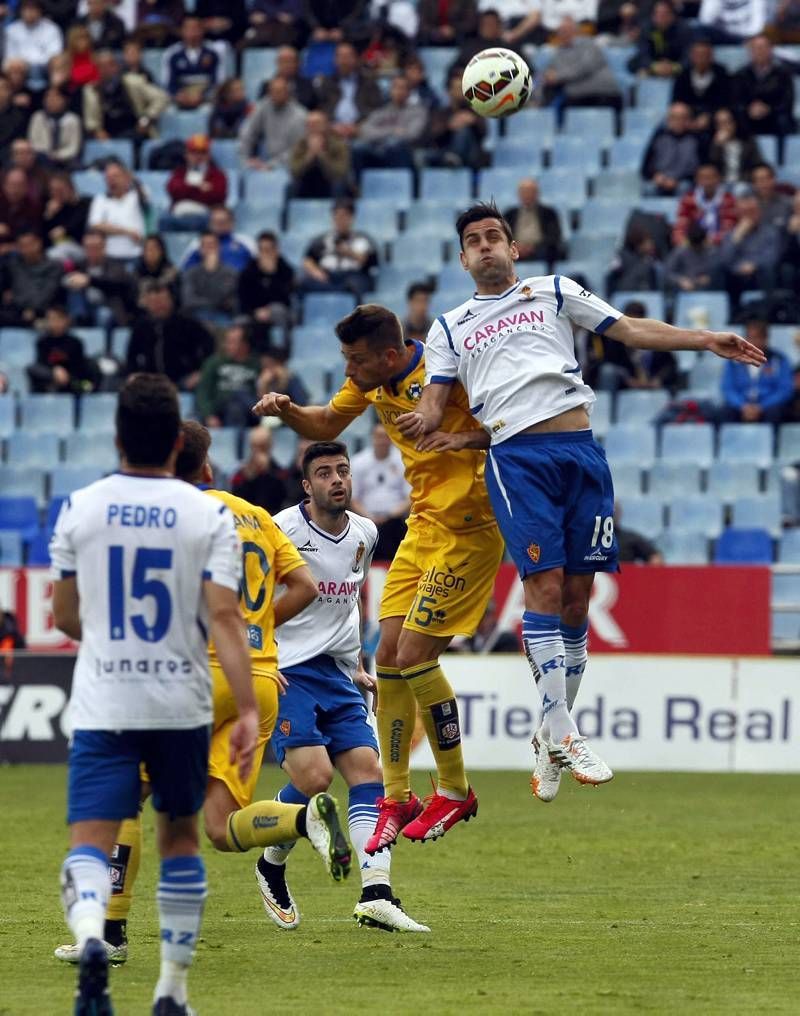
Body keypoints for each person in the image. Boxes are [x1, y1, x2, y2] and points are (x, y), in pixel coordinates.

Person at [400, 201, 765, 803]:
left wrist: (705, 340)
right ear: (464, 259)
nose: (486, 245)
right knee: (542, 587)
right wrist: (416, 418)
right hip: (517, 461)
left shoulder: (552, 290)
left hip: (580, 451)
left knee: (578, 597)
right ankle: (566, 731)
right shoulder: (449, 328)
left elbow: (627, 329)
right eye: (475, 240)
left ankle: (548, 733)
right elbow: (434, 406)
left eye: (495, 236)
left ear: (515, 249)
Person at [53, 415, 352, 976]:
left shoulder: (176, 516)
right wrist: (252, 640)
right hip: (261, 680)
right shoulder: (259, 516)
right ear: (209, 464)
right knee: (220, 826)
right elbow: (305, 587)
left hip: (192, 675)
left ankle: (112, 932)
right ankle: (300, 821)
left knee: (122, 798)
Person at [252, 305, 506, 847]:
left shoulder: (446, 369)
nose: (349, 370)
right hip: (423, 526)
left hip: (471, 526)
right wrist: (287, 409)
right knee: (389, 653)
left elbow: (513, 424)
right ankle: (394, 796)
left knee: (414, 655)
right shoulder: (372, 385)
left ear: (389, 356)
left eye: (356, 360)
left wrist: (458, 438)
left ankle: (457, 791)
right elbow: (323, 424)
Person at [48, 373, 259, 1015]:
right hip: (181, 704)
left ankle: (90, 938)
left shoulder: (81, 507)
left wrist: (111, 639)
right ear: (176, 442)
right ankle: (171, 989)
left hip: (106, 700)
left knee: (91, 839)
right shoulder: (209, 513)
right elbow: (225, 618)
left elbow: (63, 616)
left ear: (117, 437)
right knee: (181, 842)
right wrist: (247, 707)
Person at [259, 440, 430, 934]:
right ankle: (271, 864)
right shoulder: (280, 530)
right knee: (314, 778)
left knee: (368, 772)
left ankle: (376, 893)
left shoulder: (366, 532)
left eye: (343, 471)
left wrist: (356, 663)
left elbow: (350, 600)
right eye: (325, 473)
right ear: (307, 485)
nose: (337, 479)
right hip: (289, 669)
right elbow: (252, 596)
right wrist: (261, 657)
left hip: (339, 672)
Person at [126, 280, 215, 388]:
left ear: (171, 300)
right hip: (151, 381)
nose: (159, 305)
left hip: (183, 379)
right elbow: (131, 356)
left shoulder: (187, 323)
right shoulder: (141, 326)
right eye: (154, 302)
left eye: (162, 300)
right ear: (147, 304)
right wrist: (134, 375)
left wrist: (201, 372)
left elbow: (209, 346)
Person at [540, 16, 622, 120]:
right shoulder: (557, 53)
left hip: (602, 94)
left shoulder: (589, 44)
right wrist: (549, 76)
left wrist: (559, 76)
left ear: (576, 31)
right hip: (575, 98)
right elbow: (549, 73)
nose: (563, 34)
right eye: (560, 31)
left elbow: (586, 66)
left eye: (567, 30)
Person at [350, 423, 411, 561]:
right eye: (379, 437)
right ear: (372, 438)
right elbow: (353, 499)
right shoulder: (358, 461)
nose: (382, 441)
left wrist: (389, 515)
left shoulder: (403, 462)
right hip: (366, 520)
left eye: (386, 437)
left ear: (391, 439)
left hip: (395, 521)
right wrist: (370, 517)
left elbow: (410, 497)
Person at [83, 49, 169, 141]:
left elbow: (161, 97)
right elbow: (91, 121)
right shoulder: (91, 90)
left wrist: (146, 119)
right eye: (101, 66)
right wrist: (97, 131)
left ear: (116, 66)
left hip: (135, 131)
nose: (106, 69)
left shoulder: (133, 82)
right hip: (108, 136)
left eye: (109, 65)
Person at [301, 198, 378, 300]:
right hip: (328, 276)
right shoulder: (322, 240)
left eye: (344, 216)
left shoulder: (363, 239)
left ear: (352, 217)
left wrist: (349, 253)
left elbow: (371, 261)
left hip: (352, 276)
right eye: (336, 216)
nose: (340, 220)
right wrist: (317, 272)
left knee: (356, 285)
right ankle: (336, 291)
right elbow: (307, 259)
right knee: (303, 282)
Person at [350, 75, 429, 176]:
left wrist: (382, 133)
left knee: (394, 143)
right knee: (357, 146)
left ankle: (398, 185)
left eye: (402, 88)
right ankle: (359, 186)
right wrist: (392, 130)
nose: (399, 92)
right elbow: (365, 131)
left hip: (405, 153)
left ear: (409, 92)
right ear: (391, 90)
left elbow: (412, 134)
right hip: (378, 150)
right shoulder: (382, 111)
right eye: (395, 87)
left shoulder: (418, 111)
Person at [720, 319, 794, 424]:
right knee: (725, 412)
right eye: (750, 338)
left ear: (765, 338)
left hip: (768, 406)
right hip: (742, 405)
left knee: (776, 413)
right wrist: (742, 406)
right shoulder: (734, 360)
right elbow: (727, 388)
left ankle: (772, 440)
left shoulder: (779, 360)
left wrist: (761, 407)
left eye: (757, 338)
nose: (753, 342)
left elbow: (784, 390)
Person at [718, 193, 782, 310]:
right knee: (721, 272)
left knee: (769, 270)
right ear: (738, 213)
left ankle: (768, 311)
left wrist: (754, 264)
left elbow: (772, 256)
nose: (750, 216)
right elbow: (724, 260)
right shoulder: (731, 234)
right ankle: (733, 314)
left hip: (760, 273)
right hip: (737, 275)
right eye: (745, 212)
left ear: (759, 212)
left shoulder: (770, 232)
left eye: (753, 211)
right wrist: (737, 238)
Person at [62, 228, 136, 326]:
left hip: (108, 306)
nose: (92, 251)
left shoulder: (115, 265)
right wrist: (70, 281)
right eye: (88, 247)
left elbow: (115, 284)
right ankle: (78, 322)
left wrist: (89, 280)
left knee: (103, 314)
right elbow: (63, 281)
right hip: (85, 307)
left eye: (95, 247)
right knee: (74, 293)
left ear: (104, 247)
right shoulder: (79, 265)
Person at [196, 322, 264, 426]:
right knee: (236, 399)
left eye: (232, 342)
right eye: (227, 342)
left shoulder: (256, 365)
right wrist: (209, 415)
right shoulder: (214, 363)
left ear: (245, 344)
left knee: (238, 403)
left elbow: (261, 391)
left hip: (247, 412)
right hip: (220, 408)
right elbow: (203, 392)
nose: (227, 345)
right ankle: (263, 417)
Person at [237, 230, 294, 353]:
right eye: (262, 250)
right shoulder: (248, 271)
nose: (265, 254)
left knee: (277, 311)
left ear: (276, 250)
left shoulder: (285, 270)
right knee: (240, 321)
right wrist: (255, 312)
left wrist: (271, 274)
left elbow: (284, 298)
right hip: (254, 312)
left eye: (268, 250)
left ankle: (280, 354)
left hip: (278, 310)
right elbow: (244, 298)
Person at [314, 42, 383, 142]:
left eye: (347, 57)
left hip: (362, 129)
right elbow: (320, 108)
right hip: (332, 129)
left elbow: (376, 109)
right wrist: (331, 126)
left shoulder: (368, 82)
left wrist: (359, 126)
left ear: (355, 59)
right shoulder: (326, 83)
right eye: (341, 57)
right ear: (335, 60)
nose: (344, 61)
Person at [732, 33, 795, 139]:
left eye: (763, 47)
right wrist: (748, 109)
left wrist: (768, 109)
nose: (760, 51)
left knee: (784, 121)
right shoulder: (741, 74)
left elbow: (787, 101)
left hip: (774, 115)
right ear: (750, 51)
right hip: (749, 115)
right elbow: (735, 101)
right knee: (735, 119)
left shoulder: (783, 74)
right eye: (756, 48)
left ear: (771, 50)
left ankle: (782, 155)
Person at [239, 76, 308, 170]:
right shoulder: (264, 106)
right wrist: (245, 159)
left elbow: (297, 150)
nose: (275, 95)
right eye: (273, 91)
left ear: (288, 93)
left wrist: (271, 165)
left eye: (280, 91)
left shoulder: (300, 115)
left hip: (291, 165)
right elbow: (248, 132)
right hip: (267, 161)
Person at [163, 134, 228, 232]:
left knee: (203, 222)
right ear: (187, 155)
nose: (198, 156)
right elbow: (173, 191)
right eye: (194, 152)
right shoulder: (179, 172)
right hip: (178, 215)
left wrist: (186, 190)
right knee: (163, 221)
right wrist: (197, 187)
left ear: (208, 155)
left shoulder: (218, 174)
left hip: (204, 215)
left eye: (202, 152)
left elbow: (218, 195)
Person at [27, 304, 98, 393]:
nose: (54, 323)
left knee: (87, 383)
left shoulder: (75, 343)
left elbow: (79, 368)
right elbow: (41, 365)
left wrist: (66, 376)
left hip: (72, 383)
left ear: (66, 320)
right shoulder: (42, 342)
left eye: (58, 319)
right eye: (51, 319)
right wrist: (54, 372)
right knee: (32, 369)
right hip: (50, 381)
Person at [425, 71, 487, 171]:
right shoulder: (442, 113)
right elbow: (433, 135)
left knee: (464, 131)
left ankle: (454, 156)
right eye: (457, 88)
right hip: (445, 151)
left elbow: (484, 133)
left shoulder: (474, 111)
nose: (461, 92)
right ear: (449, 91)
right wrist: (449, 126)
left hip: (470, 155)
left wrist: (473, 121)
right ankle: (451, 157)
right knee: (422, 155)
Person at [87, 161, 146, 262]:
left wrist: (133, 179)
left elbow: (144, 195)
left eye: (115, 176)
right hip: (109, 256)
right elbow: (95, 224)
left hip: (136, 254)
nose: (111, 181)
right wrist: (127, 232)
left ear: (126, 177)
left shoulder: (135, 196)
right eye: (108, 178)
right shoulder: (100, 200)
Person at [0, 230, 62, 326]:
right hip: (17, 312)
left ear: (39, 243)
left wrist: (32, 309)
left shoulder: (54, 266)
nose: (25, 249)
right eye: (21, 246)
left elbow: (48, 294)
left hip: (43, 312)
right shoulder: (13, 264)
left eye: (29, 244)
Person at [641, 102, 702, 196]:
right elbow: (645, 168)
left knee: (684, 188)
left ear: (689, 120)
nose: (679, 121)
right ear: (668, 119)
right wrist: (655, 176)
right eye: (674, 117)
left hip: (684, 181)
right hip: (660, 180)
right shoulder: (659, 137)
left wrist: (677, 180)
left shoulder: (697, 139)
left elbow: (700, 169)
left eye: (683, 117)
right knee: (649, 188)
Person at [288, 109, 352, 199]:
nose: (312, 127)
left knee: (339, 184)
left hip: (330, 183)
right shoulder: (301, 144)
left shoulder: (339, 144)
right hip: (309, 183)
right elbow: (294, 171)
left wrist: (321, 155)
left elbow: (340, 172)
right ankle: (288, 212)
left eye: (316, 123)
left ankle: (338, 212)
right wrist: (309, 156)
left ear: (325, 125)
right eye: (309, 124)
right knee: (290, 187)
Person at [162, 16, 222, 109]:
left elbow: (218, 82)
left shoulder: (214, 52)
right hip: (180, 98)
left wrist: (203, 96)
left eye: (196, 28)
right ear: (181, 31)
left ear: (202, 30)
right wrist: (178, 95)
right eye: (188, 28)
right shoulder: (172, 54)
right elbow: (168, 82)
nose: (192, 32)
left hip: (206, 99)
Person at [670, 39, 729, 134]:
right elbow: (677, 99)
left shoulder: (721, 73)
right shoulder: (683, 74)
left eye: (704, 55)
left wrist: (709, 116)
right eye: (698, 55)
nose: (701, 58)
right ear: (691, 56)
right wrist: (689, 117)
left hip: (713, 116)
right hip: (689, 116)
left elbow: (725, 100)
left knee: (723, 115)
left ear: (711, 56)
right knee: (677, 111)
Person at [672, 163, 737, 247]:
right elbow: (681, 225)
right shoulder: (688, 199)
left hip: (720, 245)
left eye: (711, 178)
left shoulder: (728, 199)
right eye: (703, 178)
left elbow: (729, 228)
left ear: (718, 178)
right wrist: (683, 240)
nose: (707, 182)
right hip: (693, 245)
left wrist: (712, 241)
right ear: (697, 180)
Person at [180, 231, 239, 323]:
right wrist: (215, 303)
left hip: (223, 316)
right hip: (197, 316)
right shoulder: (191, 273)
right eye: (206, 246)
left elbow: (231, 300)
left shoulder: (230, 273)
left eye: (212, 245)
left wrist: (212, 271)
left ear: (219, 248)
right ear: (200, 249)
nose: (210, 249)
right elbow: (189, 300)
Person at [503, 178, 565, 265]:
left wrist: (533, 248)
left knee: (551, 251)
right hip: (515, 250)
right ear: (519, 194)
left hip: (540, 251)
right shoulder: (509, 214)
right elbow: (503, 236)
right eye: (524, 192)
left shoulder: (549, 213)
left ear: (537, 194)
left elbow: (554, 236)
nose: (527, 195)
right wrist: (517, 247)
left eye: (531, 191)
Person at [231, 425, 289, 512]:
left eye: (262, 447)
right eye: (254, 446)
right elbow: (235, 500)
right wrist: (249, 477)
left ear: (270, 446)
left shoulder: (281, 473)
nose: (258, 451)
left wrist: (267, 473)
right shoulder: (242, 474)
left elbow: (284, 498)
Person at [180, 205, 255, 272]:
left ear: (232, 223)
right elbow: (185, 270)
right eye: (216, 222)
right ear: (209, 223)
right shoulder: (197, 243)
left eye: (223, 221)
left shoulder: (246, 241)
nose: (219, 225)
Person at [4, 0, 63, 86]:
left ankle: (53, 93)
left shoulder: (52, 28)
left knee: (58, 64)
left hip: (45, 68)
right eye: (26, 9)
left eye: (33, 8)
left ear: (40, 10)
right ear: (20, 11)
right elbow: (10, 55)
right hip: (20, 69)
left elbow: (55, 53)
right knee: (13, 66)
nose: (29, 12)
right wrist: (23, 64)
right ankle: (17, 94)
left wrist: (32, 63)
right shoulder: (12, 30)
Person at [627, 0, 691, 78]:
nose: (660, 18)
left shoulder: (684, 29)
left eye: (664, 14)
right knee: (634, 64)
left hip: (676, 65)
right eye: (657, 14)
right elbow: (643, 53)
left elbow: (688, 55)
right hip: (655, 64)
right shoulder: (647, 28)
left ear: (673, 15)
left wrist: (673, 68)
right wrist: (655, 66)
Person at [707, 107, 763, 187]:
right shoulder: (712, 142)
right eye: (719, 123)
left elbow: (756, 163)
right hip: (720, 183)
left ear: (735, 122)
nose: (724, 126)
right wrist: (717, 146)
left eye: (727, 122)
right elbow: (711, 166)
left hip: (743, 182)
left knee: (740, 189)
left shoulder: (748, 141)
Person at [27, 86, 82, 168]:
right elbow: (33, 141)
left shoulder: (73, 119)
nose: (51, 100)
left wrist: (57, 156)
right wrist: (47, 155)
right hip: (42, 159)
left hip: (66, 160)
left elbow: (73, 147)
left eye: (56, 97)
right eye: (48, 97)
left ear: (65, 100)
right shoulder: (38, 117)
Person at [750, 162, 792, 231]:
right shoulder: (749, 207)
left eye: (768, 178)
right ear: (754, 184)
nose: (765, 183)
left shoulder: (788, 204)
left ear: (774, 179)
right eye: (760, 180)